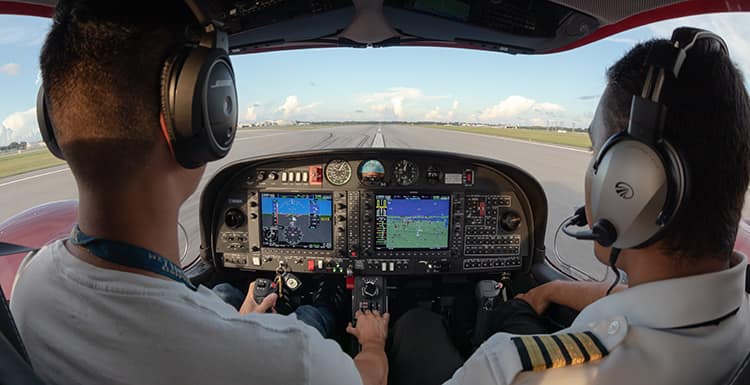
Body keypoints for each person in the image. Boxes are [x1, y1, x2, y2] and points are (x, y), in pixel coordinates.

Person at [9, 2, 389, 385]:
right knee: (317, 317)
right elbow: (369, 379)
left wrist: (238, 328)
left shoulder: (29, 284)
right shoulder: (295, 361)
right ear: (194, 117)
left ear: (53, 125)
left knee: (224, 290)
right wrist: (372, 343)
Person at [388, 33, 750, 385]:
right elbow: (663, 302)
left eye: (597, 153)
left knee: (416, 324)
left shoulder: (511, 371)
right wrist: (553, 289)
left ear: (629, 187)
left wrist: (373, 350)